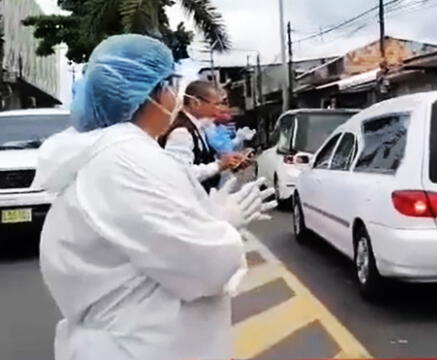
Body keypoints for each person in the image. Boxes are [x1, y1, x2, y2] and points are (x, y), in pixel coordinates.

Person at [32, 34, 276, 360]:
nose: (175, 96)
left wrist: (202, 216)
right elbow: (204, 267)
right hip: (142, 347)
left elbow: (157, 235)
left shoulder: (119, 155)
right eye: (170, 85)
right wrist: (222, 226)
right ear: (149, 94)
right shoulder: (126, 160)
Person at [158, 80, 247, 192]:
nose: (219, 109)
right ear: (195, 103)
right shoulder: (181, 133)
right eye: (216, 104)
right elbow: (181, 174)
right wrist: (219, 165)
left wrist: (229, 163)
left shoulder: (200, 129)